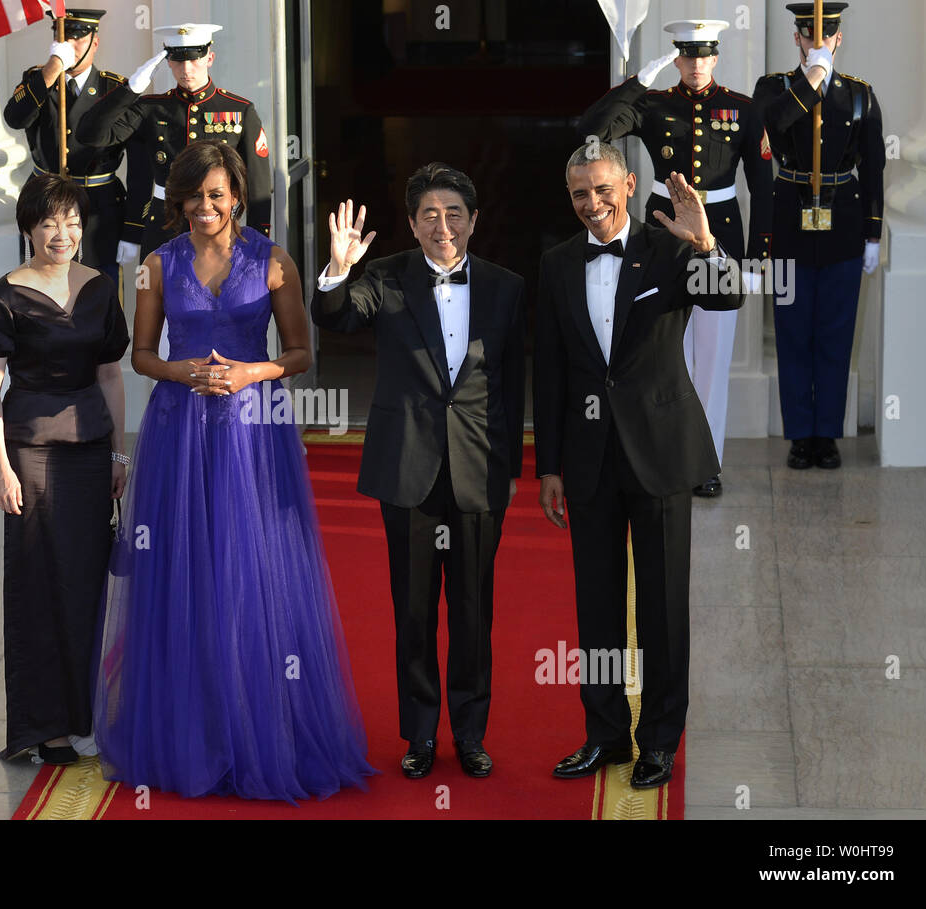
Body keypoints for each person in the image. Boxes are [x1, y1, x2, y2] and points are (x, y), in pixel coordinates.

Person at [93, 140, 374, 801]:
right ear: (176, 200)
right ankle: (195, 728)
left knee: (252, 569)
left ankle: (261, 726)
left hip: (254, 433)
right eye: (191, 195)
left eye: (215, 194)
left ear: (237, 195)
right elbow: (139, 355)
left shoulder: (273, 261)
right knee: (184, 572)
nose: (204, 206)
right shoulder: (155, 267)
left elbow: (301, 352)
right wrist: (177, 369)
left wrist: (253, 370)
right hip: (179, 431)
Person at [534, 142, 742, 789]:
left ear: (627, 184)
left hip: (660, 451)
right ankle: (604, 734)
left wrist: (706, 244)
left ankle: (658, 739)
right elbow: (550, 369)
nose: (591, 205)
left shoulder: (670, 248)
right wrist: (549, 466)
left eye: (601, 190)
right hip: (589, 459)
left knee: (661, 608)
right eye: (578, 195)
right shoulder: (558, 263)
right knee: (595, 606)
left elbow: (728, 300)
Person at [310, 164, 526, 780]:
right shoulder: (385, 276)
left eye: (454, 212)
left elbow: (511, 387)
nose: (442, 225)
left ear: (475, 220)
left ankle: (470, 734)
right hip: (407, 467)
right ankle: (420, 736)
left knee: (473, 609)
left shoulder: (506, 287)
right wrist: (338, 268)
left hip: (479, 472)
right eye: (428, 214)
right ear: (410, 223)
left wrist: (509, 469)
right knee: (412, 610)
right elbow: (337, 315)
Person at [0, 175, 129, 765]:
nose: (61, 234)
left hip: (90, 449)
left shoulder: (100, 288)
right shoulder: (5, 296)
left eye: (71, 222)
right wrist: (0, 468)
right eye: (47, 223)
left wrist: (118, 454)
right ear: (28, 229)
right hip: (30, 453)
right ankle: (46, 727)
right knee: (38, 584)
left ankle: (88, 714)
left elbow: (112, 377)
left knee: (86, 582)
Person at [578, 19, 772, 498]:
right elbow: (591, 132)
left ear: (716, 57)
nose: (697, 65)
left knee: (711, 357)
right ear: (677, 58)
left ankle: (706, 463)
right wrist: (637, 83)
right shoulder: (654, 105)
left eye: (705, 55)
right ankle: (659, 455)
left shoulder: (742, 110)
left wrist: (756, 256)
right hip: (663, 238)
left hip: (718, 238)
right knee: (661, 353)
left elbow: (764, 187)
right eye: (687, 56)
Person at [752, 2, 883, 470]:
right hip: (790, 225)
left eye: (825, 39)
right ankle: (798, 434)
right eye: (809, 38)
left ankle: (826, 433)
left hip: (842, 224)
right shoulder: (773, 89)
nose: (817, 46)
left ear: (838, 40)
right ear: (797, 39)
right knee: (792, 334)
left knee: (834, 333)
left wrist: (873, 234)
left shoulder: (860, 96)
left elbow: (873, 170)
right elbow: (769, 128)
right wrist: (810, 81)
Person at [75, 22, 272, 264]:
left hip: (218, 227)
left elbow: (259, 185)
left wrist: (258, 240)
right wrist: (130, 90)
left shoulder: (239, 109)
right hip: (164, 226)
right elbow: (90, 134)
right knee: (158, 299)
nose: (186, 69)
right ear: (168, 62)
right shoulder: (151, 108)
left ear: (210, 57)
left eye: (194, 59)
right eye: (178, 60)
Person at [3, 9, 130, 282]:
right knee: (40, 283)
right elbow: (14, 118)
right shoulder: (38, 81)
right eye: (63, 40)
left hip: (98, 205)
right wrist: (52, 68)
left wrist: (135, 226)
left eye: (78, 40)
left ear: (95, 43)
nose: (70, 47)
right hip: (45, 199)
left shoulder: (114, 88)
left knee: (98, 285)